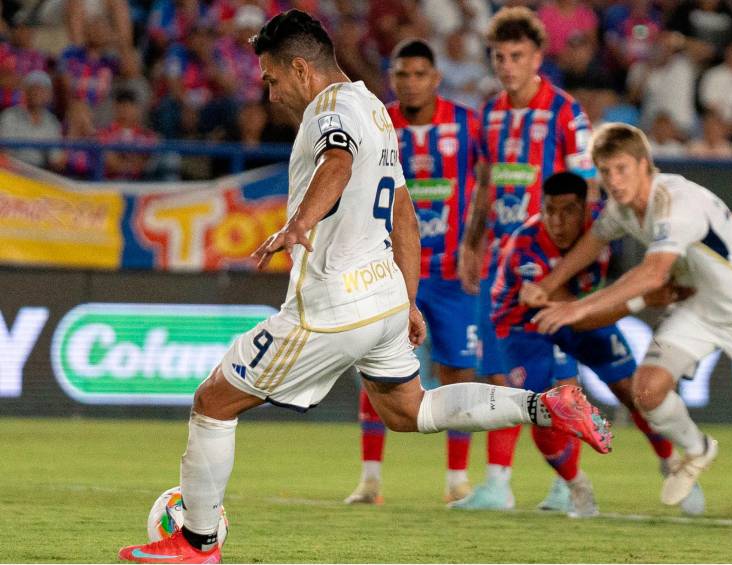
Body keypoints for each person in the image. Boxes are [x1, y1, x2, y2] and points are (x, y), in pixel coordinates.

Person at [118, 10, 612, 564]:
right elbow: (403, 210)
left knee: (213, 401)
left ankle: (196, 541)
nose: (270, 92)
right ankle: (544, 406)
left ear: (301, 70)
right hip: (382, 298)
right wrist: (407, 296)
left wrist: (300, 222)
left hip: (333, 306)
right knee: (409, 410)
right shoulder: (375, 109)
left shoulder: (328, 111)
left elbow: (337, 161)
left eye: (272, 79)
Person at [525, 122, 732, 509]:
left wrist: (579, 306)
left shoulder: (676, 203)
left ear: (645, 165)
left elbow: (653, 273)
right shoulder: (622, 208)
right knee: (647, 389)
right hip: (699, 307)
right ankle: (697, 450)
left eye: (622, 169)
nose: (614, 179)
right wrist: (550, 283)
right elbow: (594, 242)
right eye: (606, 172)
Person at [454, 171, 702, 516]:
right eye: (550, 210)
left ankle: (672, 464)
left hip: (583, 316)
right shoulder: (526, 245)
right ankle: (576, 487)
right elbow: (565, 303)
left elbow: (651, 231)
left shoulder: (606, 225)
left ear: (586, 209)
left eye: (568, 211)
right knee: (542, 411)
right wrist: (645, 298)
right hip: (525, 328)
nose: (557, 221)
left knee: (636, 393)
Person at [458, 5, 597, 506]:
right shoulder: (491, 113)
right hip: (499, 264)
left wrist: (572, 266)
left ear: (538, 56)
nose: (507, 65)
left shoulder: (565, 112)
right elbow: (485, 184)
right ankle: (498, 483)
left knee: (557, 379)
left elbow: (587, 190)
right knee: (497, 373)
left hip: (547, 268)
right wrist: (471, 244)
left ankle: (569, 483)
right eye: (499, 56)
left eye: (517, 55)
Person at [343, 39, 480, 506]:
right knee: (375, 368)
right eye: (402, 74)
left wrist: (478, 243)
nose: (410, 82)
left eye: (420, 73)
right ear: (392, 78)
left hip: (450, 272)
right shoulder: (378, 120)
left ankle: (457, 481)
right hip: (388, 269)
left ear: (435, 78)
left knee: (457, 371)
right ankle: (370, 480)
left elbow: (490, 183)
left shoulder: (467, 124)